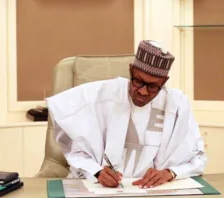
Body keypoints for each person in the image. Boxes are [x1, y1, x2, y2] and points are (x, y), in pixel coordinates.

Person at [46, 40, 207, 189]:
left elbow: (198, 159)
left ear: (164, 82)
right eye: (138, 81)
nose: (143, 92)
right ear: (130, 70)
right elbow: (76, 149)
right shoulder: (99, 96)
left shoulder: (177, 104)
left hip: (154, 191)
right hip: (99, 189)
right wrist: (96, 171)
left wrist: (170, 173)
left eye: (153, 87)